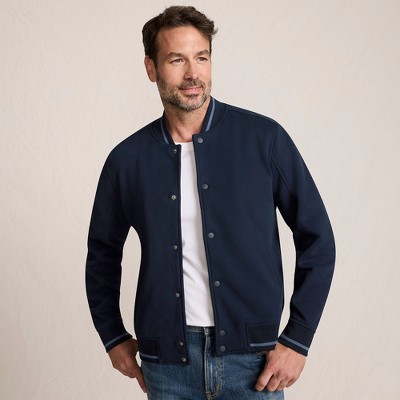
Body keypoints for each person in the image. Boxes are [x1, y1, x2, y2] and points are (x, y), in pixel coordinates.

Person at [85, 5, 335, 399]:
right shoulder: (127, 160)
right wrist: (113, 336)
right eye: (176, 60)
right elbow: (102, 254)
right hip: (167, 366)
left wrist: (298, 339)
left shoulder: (263, 139)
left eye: (201, 57)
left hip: (254, 363)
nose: (192, 73)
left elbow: (317, 238)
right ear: (151, 68)